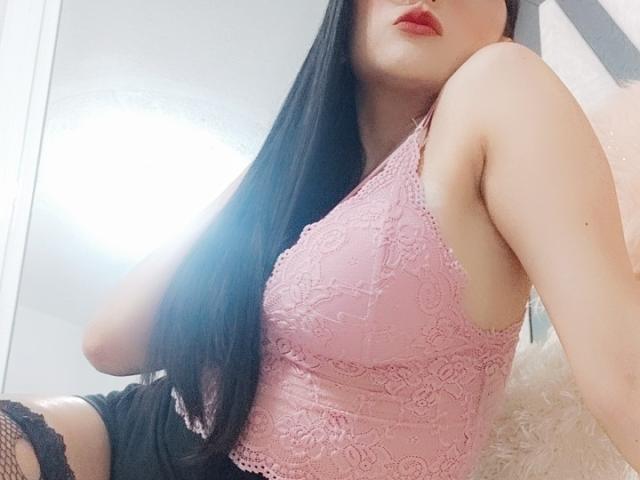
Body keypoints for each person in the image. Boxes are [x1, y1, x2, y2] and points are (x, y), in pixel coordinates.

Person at [4, 0, 638, 478]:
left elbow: (625, 375)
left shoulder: (502, 84)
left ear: (504, 18)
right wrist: (277, 164)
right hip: (124, 437)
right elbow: (111, 341)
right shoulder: (296, 183)